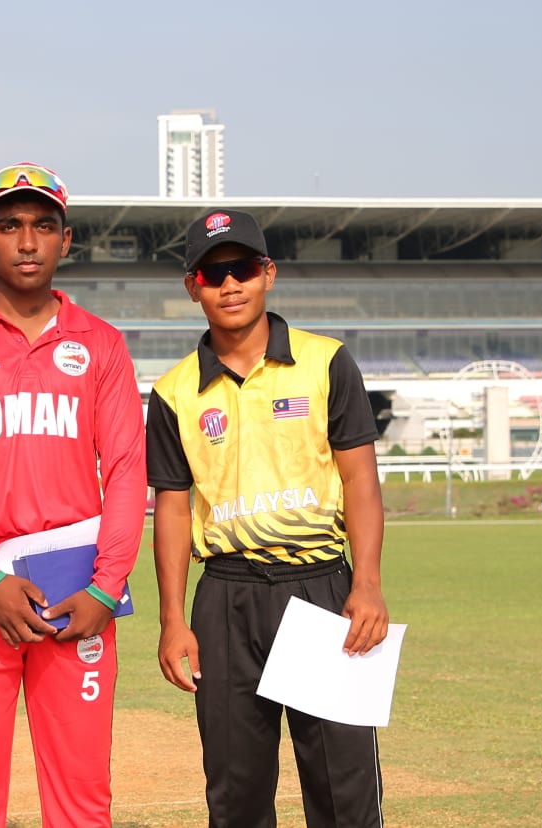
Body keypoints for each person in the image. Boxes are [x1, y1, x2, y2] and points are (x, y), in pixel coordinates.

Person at [0, 163, 147, 826]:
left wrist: (105, 587)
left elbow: (127, 470)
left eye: (44, 226)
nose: (28, 241)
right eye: (9, 226)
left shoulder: (102, 344)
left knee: (80, 803)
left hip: (76, 599)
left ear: (66, 241)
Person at [148, 210, 389, 827]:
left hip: (320, 590)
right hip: (226, 601)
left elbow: (361, 477)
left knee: (344, 790)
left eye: (244, 269)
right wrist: (173, 619)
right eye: (212, 272)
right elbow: (172, 508)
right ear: (192, 286)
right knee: (237, 796)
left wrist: (366, 585)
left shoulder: (326, 362)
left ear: (268, 274)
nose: (230, 284)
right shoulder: (174, 392)